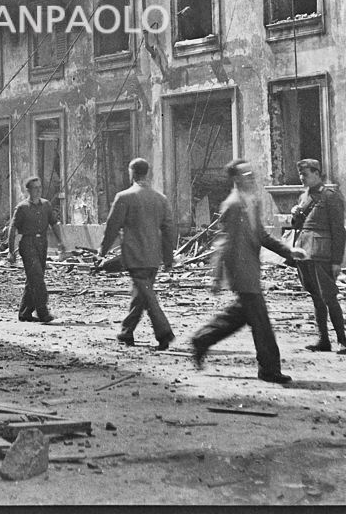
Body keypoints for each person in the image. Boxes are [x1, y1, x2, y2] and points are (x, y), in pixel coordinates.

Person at [191, 158, 306, 384]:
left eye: (252, 175)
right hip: (241, 271)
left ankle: (202, 339)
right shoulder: (233, 205)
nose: (251, 179)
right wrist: (217, 276)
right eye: (246, 176)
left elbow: (261, 236)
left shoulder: (251, 202)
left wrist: (288, 251)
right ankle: (269, 369)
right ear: (235, 180)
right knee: (261, 322)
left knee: (240, 315)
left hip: (251, 270)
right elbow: (223, 242)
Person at [97, 157, 177, 350]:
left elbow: (112, 228)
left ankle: (164, 332)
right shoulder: (161, 198)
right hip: (153, 257)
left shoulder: (124, 197)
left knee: (147, 296)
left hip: (134, 256)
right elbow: (169, 229)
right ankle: (126, 332)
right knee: (141, 294)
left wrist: (102, 252)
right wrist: (168, 258)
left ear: (132, 173)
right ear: (146, 173)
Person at [290, 158, 346, 354]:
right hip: (303, 252)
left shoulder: (330, 196)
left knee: (329, 297)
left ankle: (342, 341)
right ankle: (324, 340)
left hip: (322, 253)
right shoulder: (303, 196)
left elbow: (339, 231)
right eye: (300, 174)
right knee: (315, 297)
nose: (301, 178)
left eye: (305, 174)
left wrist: (337, 261)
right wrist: (295, 216)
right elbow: (298, 226)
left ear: (316, 173)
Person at [8, 175, 66, 323]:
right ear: (28, 190)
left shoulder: (46, 205)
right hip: (28, 243)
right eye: (35, 188)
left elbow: (54, 223)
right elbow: (13, 228)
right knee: (37, 278)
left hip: (42, 244)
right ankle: (43, 312)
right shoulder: (22, 208)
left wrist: (61, 242)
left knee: (33, 279)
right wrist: (10, 250)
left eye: (40, 187)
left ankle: (25, 313)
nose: (39, 191)